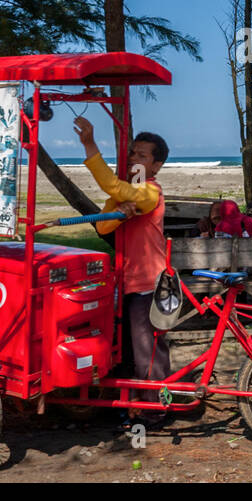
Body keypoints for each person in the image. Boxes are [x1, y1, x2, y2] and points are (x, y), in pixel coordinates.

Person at [74, 116, 172, 427]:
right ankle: (133, 406)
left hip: (149, 284)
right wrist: (120, 214)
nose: (133, 159)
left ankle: (156, 411)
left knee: (149, 352)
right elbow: (102, 224)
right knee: (127, 350)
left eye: (142, 156)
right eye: (132, 153)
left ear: (155, 166)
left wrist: (90, 145)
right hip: (127, 283)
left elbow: (111, 185)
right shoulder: (128, 193)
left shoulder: (149, 192)